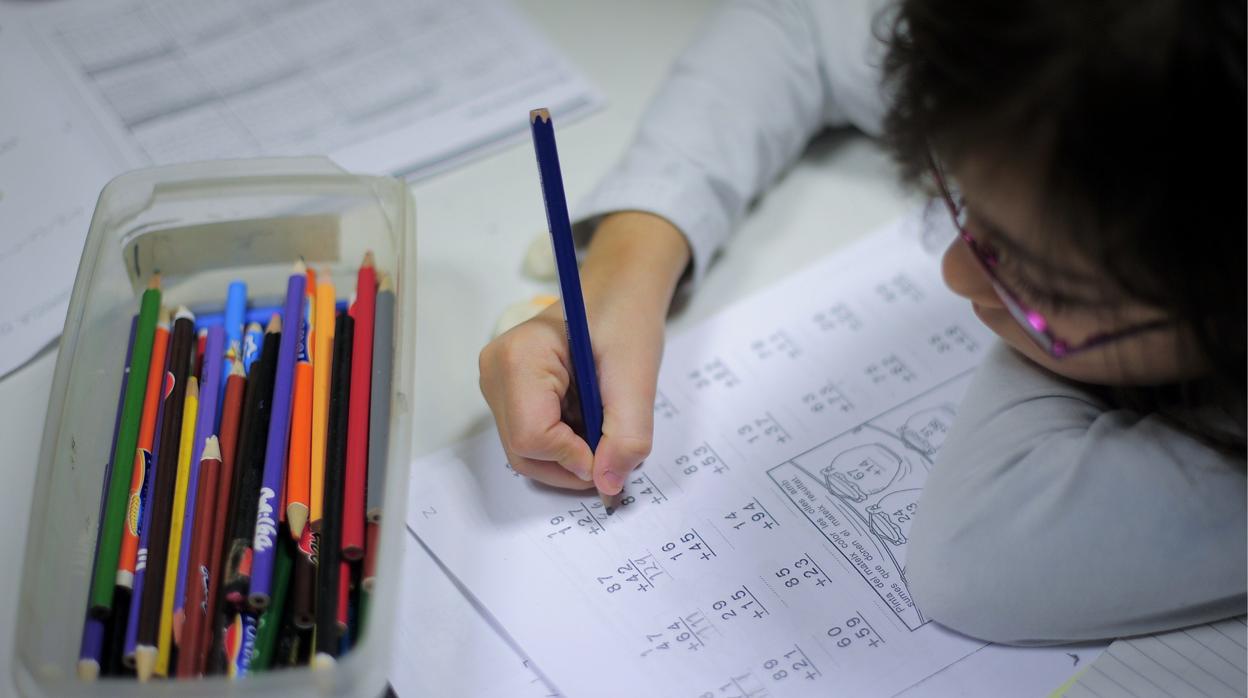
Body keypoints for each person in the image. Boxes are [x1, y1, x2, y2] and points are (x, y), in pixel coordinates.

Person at [478, 0, 1246, 644]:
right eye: (956, 198)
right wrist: (633, 256)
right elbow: (804, 22)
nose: (954, 271)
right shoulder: (1079, 49)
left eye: (1047, 280)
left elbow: (976, 559)